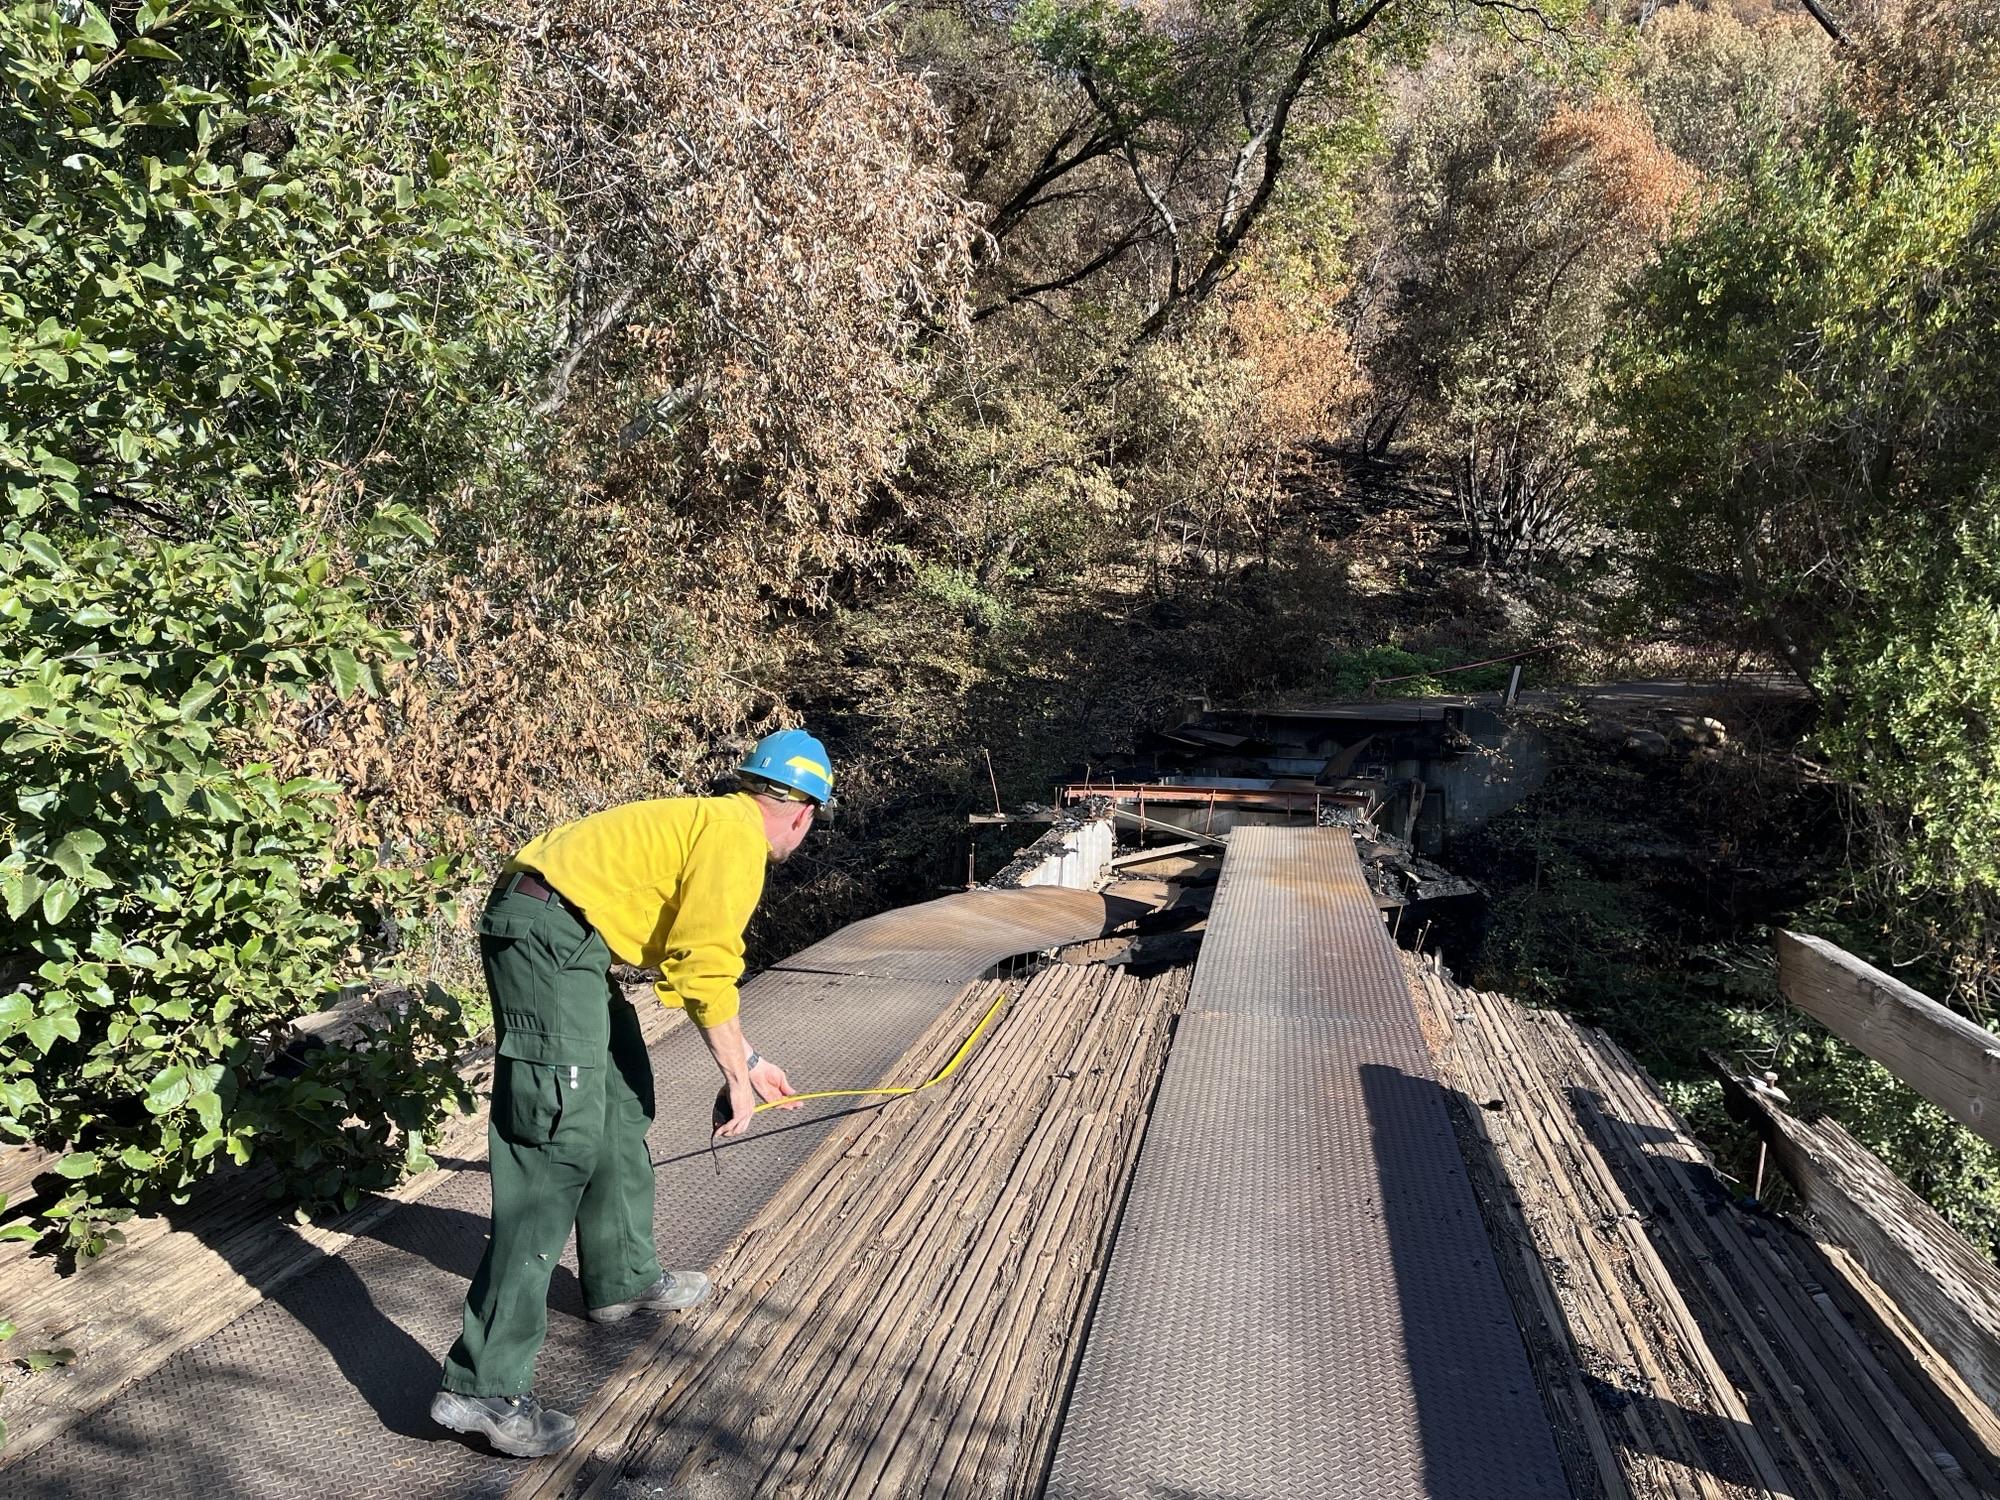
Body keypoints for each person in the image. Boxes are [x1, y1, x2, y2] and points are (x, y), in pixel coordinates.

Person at [428, 729, 834, 1458]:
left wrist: (751, 1058)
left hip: (567, 934)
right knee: (556, 1143)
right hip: (548, 933)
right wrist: (736, 1080)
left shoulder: (712, 821)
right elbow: (707, 966)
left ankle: (620, 1277)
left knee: (619, 1100)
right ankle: (480, 1385)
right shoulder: (736, 841)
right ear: (803, 815)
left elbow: (694, 964)